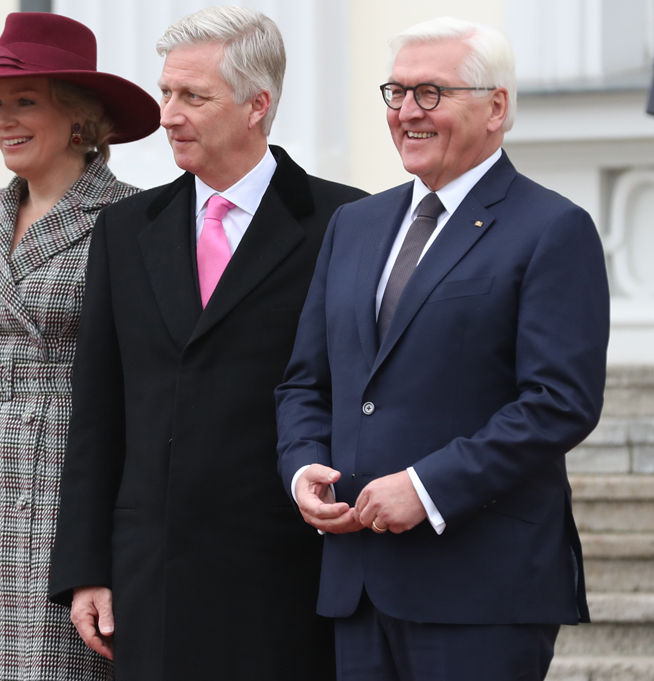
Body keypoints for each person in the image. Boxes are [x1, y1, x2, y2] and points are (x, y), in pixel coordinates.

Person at [275, 17, 608, 680]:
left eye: (430, 93)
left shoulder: (552, 228)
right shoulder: (356, 224)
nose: (405, 112)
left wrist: (428, 488)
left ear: (496, 106)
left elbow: (558, 403)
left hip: (480, 589)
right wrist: (303, 464)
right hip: (357, 583)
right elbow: (306, 382)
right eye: (395, 93)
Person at [47, 7, 366, 680]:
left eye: (193, 96)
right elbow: (97, 411)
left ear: (258, 105)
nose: (168, 114)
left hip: (285, 575)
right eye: (166, 93)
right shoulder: (126, 229)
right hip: (151, 576)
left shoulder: (346, 222)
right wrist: (85, 569)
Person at [0, 12, 160, 681]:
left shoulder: (129, 218)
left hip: (60, 490)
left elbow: (137, 391)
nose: (1, 120)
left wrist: (111, 544)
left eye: (23, 102)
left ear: (78, 117)